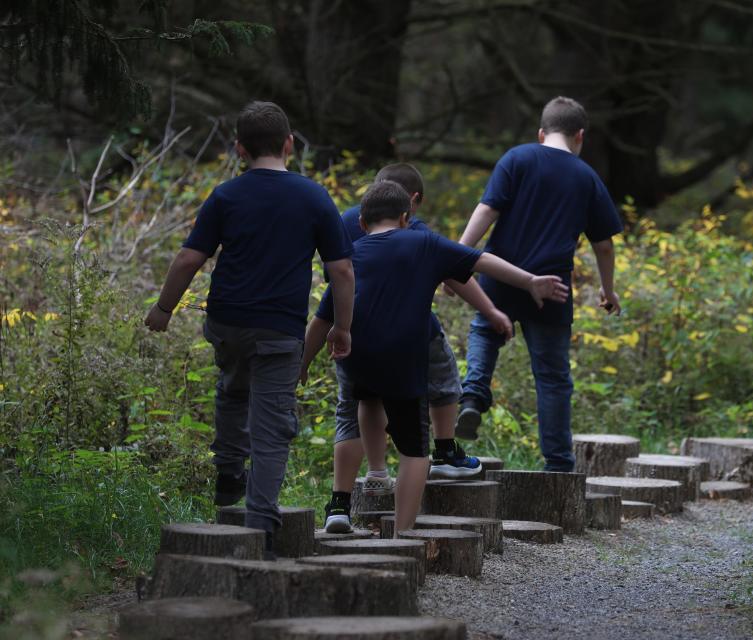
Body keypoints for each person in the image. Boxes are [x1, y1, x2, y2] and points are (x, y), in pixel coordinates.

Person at [144, 101, 355, 558]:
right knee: (272, 426)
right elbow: (341, 271)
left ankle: (227, 470)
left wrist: (164, 308)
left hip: (226, 322)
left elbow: (188, 258)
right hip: (279, 330)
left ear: (239, 149)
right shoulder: (314, 197)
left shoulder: (226, 195)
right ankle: (261, 529)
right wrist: (342, 327)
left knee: (233, 388)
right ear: (289, 144)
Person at [311, 180, 567, 534]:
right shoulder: (424, 242)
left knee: (366, 400)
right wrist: (529, 282)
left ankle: (362, 485)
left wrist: (303, 362)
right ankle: (402, 534)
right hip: (404, 359)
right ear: (405, 217)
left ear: (362, 222)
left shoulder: (353, 254)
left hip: (358, 353)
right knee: (415, 451)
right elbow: (481, 260)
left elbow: (323, 317)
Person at [455, 96, 623, 472]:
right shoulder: (587, 178)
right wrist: (608, 290)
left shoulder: (516, 158)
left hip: (499, 275)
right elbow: (604, 245)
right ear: (580, 136)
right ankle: (559, 464)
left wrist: (458, 257)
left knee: (485, 330)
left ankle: (473, 396)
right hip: (552, 289)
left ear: (541, 133)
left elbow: (487, 210)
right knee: (552, 378)